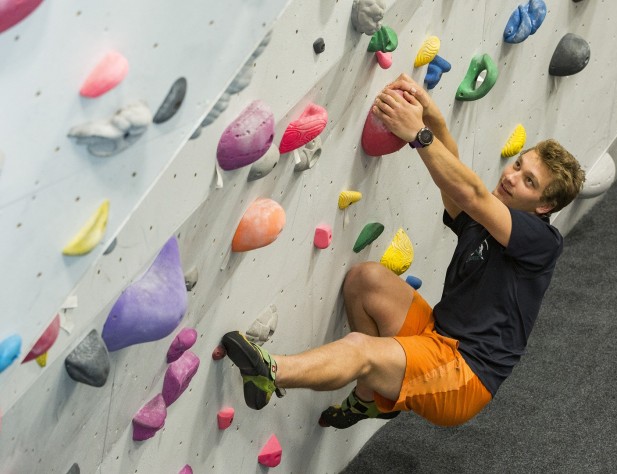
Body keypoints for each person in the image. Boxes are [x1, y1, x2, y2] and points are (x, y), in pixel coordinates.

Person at [220, 73, 585, 429]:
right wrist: (433, 116)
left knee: (361, 351)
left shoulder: (541, 242)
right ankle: (370, 400)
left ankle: (271, 372)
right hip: (438, 336)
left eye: (528, 181)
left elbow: (471, 192)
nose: (510, 176)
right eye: (519, 164)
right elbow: (459, 185)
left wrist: (419, 134)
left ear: (543, 207)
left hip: (466, 375)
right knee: (365, 280)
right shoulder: (489, 218)